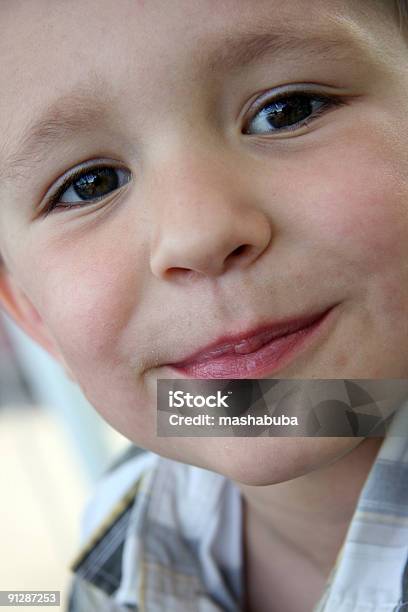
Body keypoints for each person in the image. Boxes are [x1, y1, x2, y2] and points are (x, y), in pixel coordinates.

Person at [0, 0, 408, 610]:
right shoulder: (119, 531)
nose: (199, 234)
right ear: (34, 315)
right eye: (91, 185)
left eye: (285, 111)